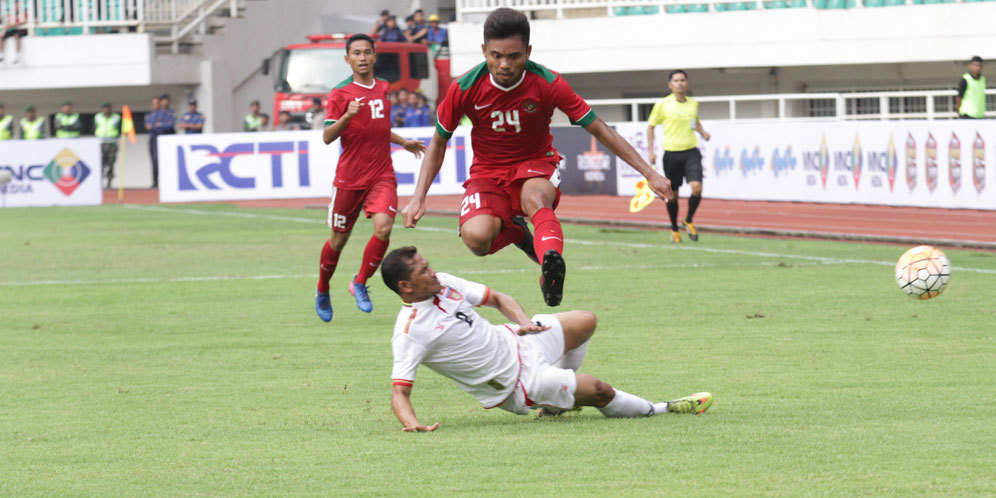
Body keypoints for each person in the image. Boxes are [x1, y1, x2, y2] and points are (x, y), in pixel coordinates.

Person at [402, 8, 673, 307]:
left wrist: (650, 173)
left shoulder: (548, 83)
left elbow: (601, 130)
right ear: (484, 51)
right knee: (477, 240)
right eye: (496, 56)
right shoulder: (464, 88)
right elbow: (439, 142)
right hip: (487, 172)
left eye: (514, 56)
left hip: (536, 163)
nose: (504, 65)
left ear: (528, 51)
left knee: (536, 200)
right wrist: (418, 197)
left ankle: (550, 269)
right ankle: (519, 233)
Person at [381, 246, 713, 432]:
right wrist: (413, 424)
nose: (433, 272)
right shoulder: (411, 330)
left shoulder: (444, 282)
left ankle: (557, 405)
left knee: (586, 321)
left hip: (517, 340)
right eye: (423, 271)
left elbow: (497, 298)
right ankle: (661, 410)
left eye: (429, 265)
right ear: (406, 287)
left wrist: (524, 322)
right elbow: (399, 391)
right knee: (599, 391)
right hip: (517, 384)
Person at [314, 33, 427, 322]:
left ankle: (360, 282)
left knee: (384, 228)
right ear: (347, 59)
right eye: (356, 53)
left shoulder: (385, 88)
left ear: (375, 56)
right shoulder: (340, 93)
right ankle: (323, 288)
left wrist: (403, 142)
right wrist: (347, 117)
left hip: (381, 174)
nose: (362, 58)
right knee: (338, 242)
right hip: (349, 180)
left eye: (367, 52)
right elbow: (328, 136)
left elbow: (378, 128)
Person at [647, 70, 710, 244]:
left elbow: (695, 122)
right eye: (676, 80)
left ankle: (688, 220)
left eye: (682, 80)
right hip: (671, 153)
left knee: (697, 188)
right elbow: (651, 126)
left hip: (691, 151)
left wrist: (703, 132)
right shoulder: (663, 104)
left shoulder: (693, 104)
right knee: (672, 195)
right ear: (670, 84)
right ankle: (675, 228)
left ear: (687, 83)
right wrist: (651, 151)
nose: (680, 83)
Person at [93, 102, 121, 189]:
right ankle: (99, 183)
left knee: (111, 164)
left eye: (108, 108)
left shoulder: (116, 117)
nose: (106, 110)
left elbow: (120, 129)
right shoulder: (98, 117)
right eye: (105, 108)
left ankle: (109, 183)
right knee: (100, 164)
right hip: (101, 143)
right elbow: (94, 128)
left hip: (112, 142)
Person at [144, 96, 162, 187]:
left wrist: (156, 126)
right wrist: (157, 125)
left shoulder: (164, 114)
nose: (155, 105)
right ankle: (155, 181)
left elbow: (166, 125)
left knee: (161, 160)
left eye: (157, 103)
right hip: (152, 139)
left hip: (161, 139)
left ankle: (163, 181)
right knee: (154, 160)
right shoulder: (149, 115)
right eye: (153, 103)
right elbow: (148, 126)